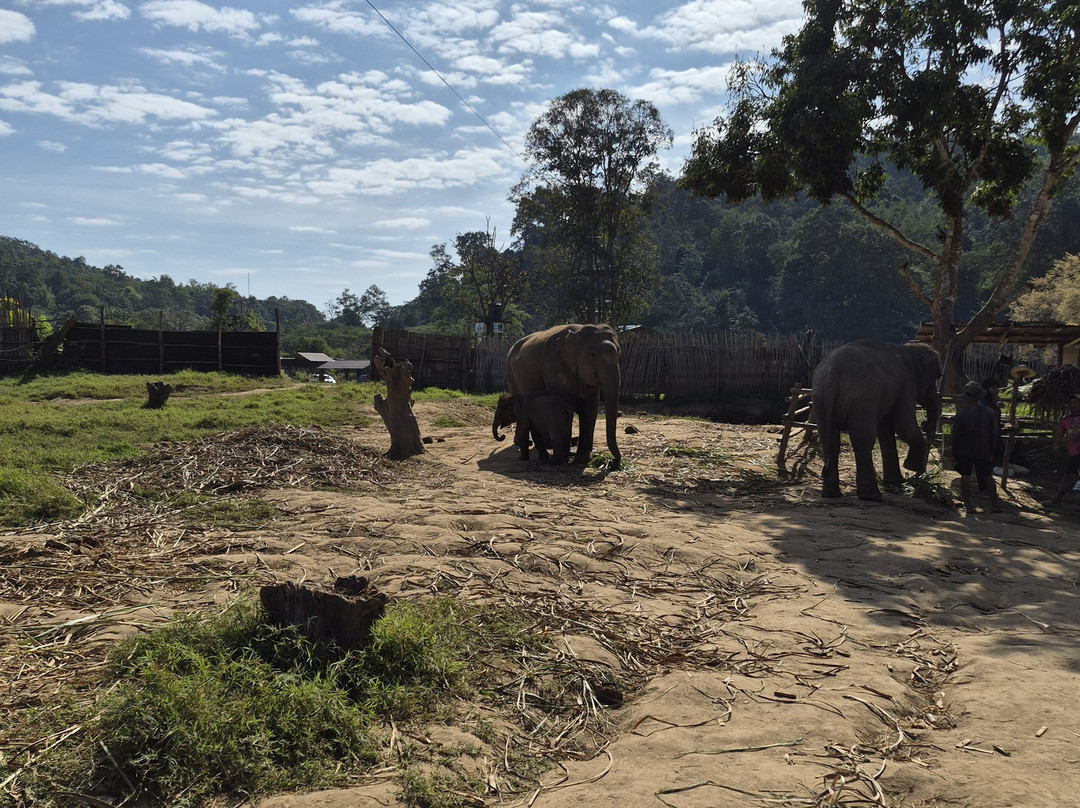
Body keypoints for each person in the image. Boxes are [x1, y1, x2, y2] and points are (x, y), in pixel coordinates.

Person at [952, 380, 1001, 516]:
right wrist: (992, 451)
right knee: (988, 477)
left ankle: (968, 506)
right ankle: (994, 505)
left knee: (965, 476)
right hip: (983, 449)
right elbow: (993, 434)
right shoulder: (989, 412)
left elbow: (956, 436)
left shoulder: (961, 414)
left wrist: (954, 453)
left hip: (965, 450)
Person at [1044, 392, 1080, 507]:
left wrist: (1072, 438)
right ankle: (1057, 500)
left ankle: (1057, 500)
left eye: (1075, 402)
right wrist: (1061, 440)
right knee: (1069, 476)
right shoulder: (1066, 420)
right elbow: (1059, 435)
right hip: (1074, 452)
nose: (1072, 405)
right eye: (1070, 402)